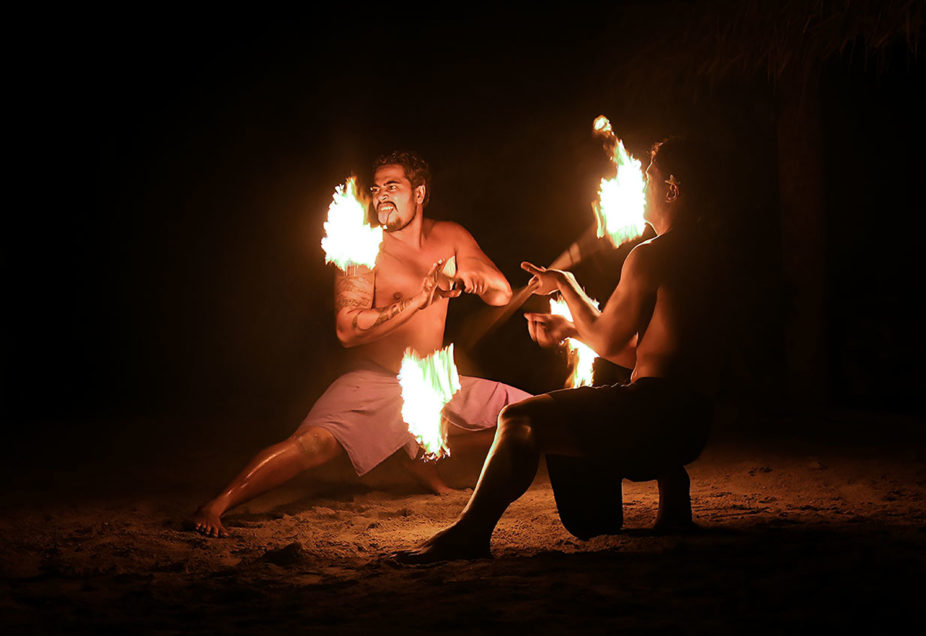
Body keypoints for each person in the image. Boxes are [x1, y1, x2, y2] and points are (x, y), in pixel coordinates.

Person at [395, 137, 729, 562]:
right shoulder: (711, 254)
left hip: (655, 420)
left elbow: (608, 340)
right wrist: (573, 329)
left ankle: (469, 533)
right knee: (621, 396)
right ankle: (674, 505)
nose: (641, 183)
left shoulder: (651, 256)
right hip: (693, 423)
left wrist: (566, 285)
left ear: (673, 189)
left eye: (650, 175)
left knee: (518, 418)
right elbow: (649, 357)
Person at [192, 150, 530, 537]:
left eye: (392, 186)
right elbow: (347, 330)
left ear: (419, 193)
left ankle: (421, 457)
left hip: (432, 381)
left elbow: (501, 294)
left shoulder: (450, 235)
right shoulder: (361, 248)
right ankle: (216, 504)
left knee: (527, 414)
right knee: (311, 445)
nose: (381, 195)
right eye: (376, 188)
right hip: (373, 381)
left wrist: (472, 273)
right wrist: (417, 300)